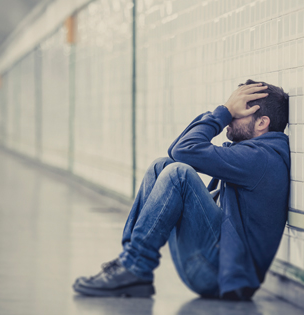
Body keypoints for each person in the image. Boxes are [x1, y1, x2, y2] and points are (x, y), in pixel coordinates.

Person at [73, 79, 290, 301]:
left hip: (224, 278)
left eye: (238, 112)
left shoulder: (261, 159)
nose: (230, 119)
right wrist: (225, 111)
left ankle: (134, 268)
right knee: (163, 166)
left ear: (262, 122)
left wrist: (222, 112)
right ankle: (132, 264)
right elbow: (177, 150)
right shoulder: (257, 153)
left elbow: (184, 151)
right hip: (219, 265)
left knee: (178, 174)